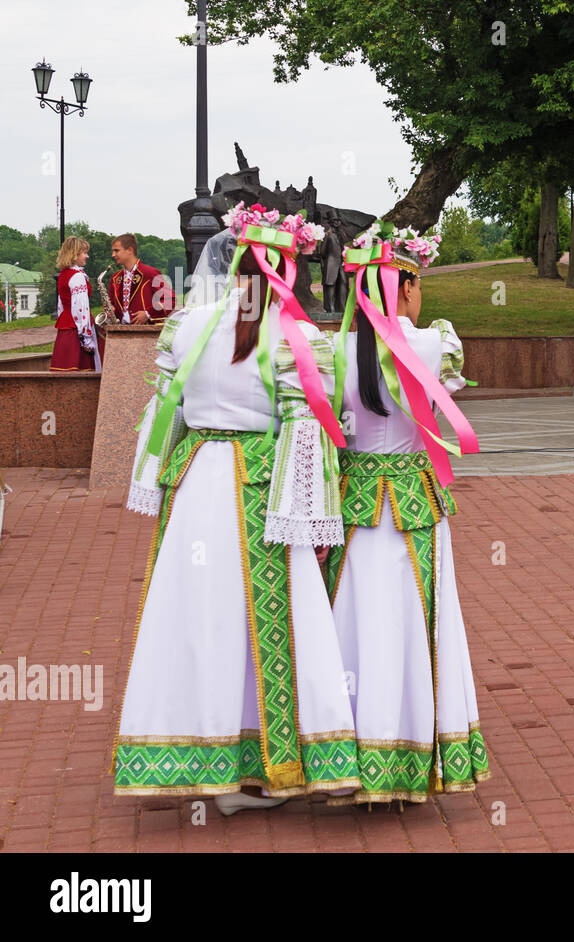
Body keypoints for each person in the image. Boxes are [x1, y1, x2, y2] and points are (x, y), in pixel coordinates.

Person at [114, 203, 361, 812]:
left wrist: (157, 483)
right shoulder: (295, 338)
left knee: (199, 616)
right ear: (284, 270)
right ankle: (267, 765)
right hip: (259, 489)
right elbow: (307, 431)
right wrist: (313, 517)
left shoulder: (188, 327)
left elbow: (162, 414)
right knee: (274, 619)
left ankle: (199, 757)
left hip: (197, 483)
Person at [325, 223, 489, 802]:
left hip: (358, 500)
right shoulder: (435, 344)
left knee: (353, 616)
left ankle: (346, 754)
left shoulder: (334, 351)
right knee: (421, 618)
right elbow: (450, 397)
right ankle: (415, 747)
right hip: (416, 498)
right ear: (406, 288)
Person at [50, 237, 101, 372]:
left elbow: (61, 304)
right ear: (74, 254)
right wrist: (86, 337)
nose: (87, 256)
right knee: (81, 371)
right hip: (76, 329)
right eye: (84, 252)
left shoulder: (63, 275)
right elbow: (80, 309)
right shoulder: (77, 276)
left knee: (63, 367)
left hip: (65, 327)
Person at [109, 233, 174, 325]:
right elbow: (112, 305)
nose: (113, 255)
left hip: (146, 332)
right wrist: (110, 310)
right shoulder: (115, 278)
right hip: (120, 332)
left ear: (130, 250)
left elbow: (170, 300)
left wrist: (148, 313)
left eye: (116, 251)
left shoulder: (150, 273)